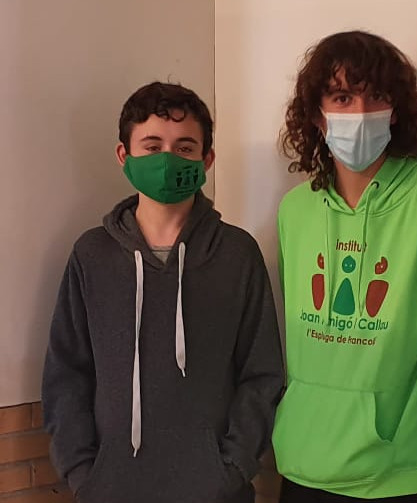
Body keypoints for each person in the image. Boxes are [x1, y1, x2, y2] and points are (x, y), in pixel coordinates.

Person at [42, 82, 285, 503]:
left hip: (216, 494)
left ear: (207, 159)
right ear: (125, 155)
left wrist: (232, 468)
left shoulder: (236, 253)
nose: (168, 159)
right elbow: (67, 373)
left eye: (184, 148)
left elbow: (261, 373)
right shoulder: (92, 255)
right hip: (110, 491)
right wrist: (83, 473)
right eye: (152, 147)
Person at [273, 31, 417, 502]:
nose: (360, 113)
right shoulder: (294, 211)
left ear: (397, 109)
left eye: (377, 96)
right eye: (342, 97)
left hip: (400, 470)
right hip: (304, 459)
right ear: (317, 113)